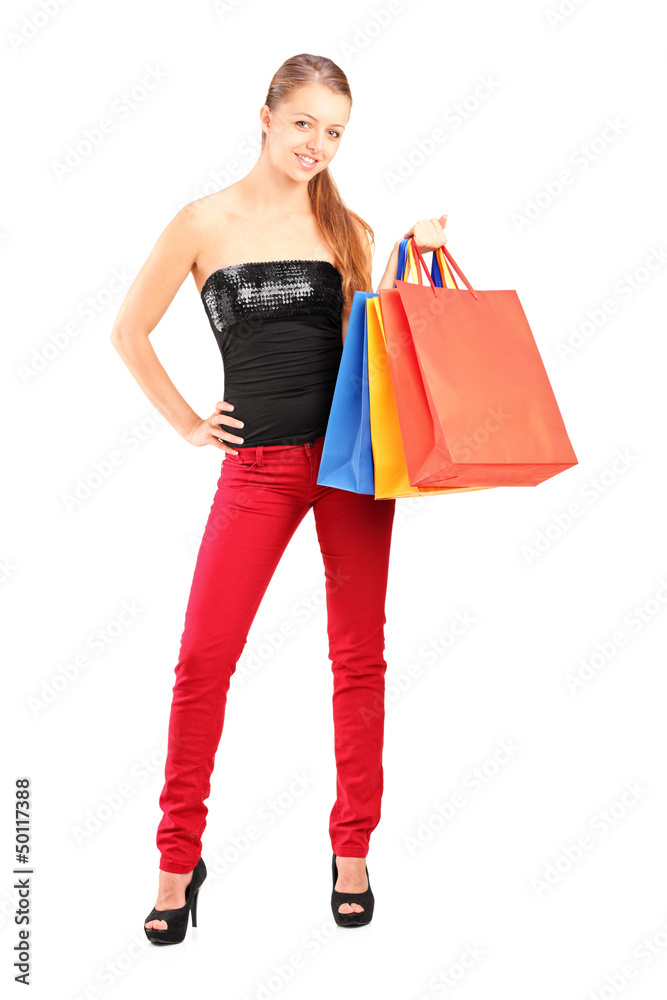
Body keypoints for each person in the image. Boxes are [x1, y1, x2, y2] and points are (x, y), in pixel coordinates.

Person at [110, 51, 448, 944]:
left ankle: (351, 849)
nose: (317, 144)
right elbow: (127, 329)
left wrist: (414, 256)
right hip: (254, 467)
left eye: (334, 132)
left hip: (347, 468)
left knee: (357, 659)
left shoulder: (350, 229)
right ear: (264, 115)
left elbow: (373, 357)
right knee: (202, 662)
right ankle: (176, 860)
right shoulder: (201, 221)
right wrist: (189, 423)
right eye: (303, 123)